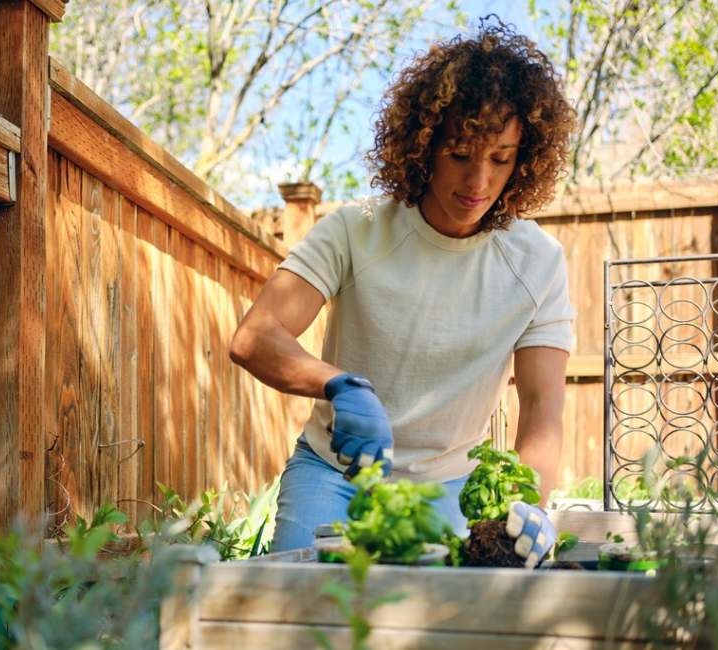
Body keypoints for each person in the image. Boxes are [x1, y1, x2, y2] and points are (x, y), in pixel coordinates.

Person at [229, 18, 577, 568]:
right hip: (333, 476)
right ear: (424, 143)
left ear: (524, 158)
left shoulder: (537, 264)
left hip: (449, 494)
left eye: (501, 159)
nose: (479, 182)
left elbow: (540, 409)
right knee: (299, 619)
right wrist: (338, 386)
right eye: (461, 153)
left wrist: (529, 502)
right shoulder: (357, 229)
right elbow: (255, 337)